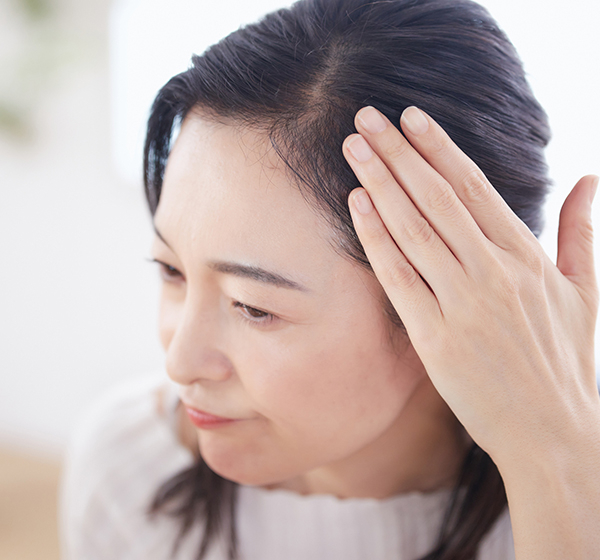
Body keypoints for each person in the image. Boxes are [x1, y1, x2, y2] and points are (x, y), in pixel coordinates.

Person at [60, 0, 600, 558]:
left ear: (448, 300)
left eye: (253, 307)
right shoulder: (125, 473)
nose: (179, 363)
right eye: (171, 270)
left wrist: (555, 465)